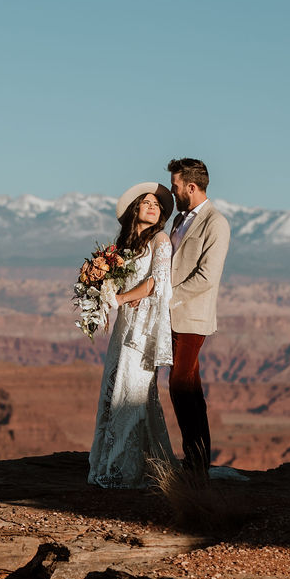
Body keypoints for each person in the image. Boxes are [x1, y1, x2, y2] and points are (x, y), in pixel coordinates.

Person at [88, 182, 178, 489]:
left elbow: (157, 282)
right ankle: (118, 462)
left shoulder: (161, 240)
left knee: (133, 394)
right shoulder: (126, 246)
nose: (154, 207)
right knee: (115, 391)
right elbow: (119, 284)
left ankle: (124, 470)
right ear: (135, 209)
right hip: (124, 326)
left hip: (142, 329)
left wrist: (121, 298)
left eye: (158, 204)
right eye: (147, 202)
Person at [166, 158, 231, 478]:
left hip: (191, 317)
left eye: (176, 186)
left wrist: (169, 298)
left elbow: (207, 276)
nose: (173, 191)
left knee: (180, 385)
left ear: (191, 187)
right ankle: (196, 461)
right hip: (173, 316)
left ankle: (195, 459)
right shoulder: (179, 220)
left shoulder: (215, 223)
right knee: (189, 386)